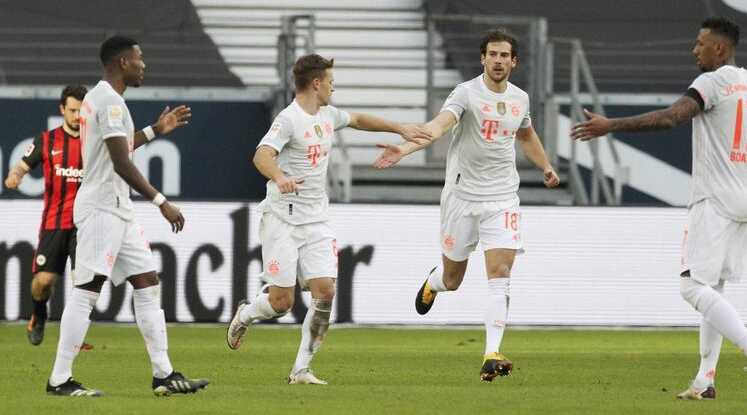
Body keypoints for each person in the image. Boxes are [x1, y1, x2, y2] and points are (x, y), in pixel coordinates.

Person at [570, 17, 747, 402]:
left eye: (700, 43)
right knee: (712, 287)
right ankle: (705, 380)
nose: (694, 49)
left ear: (719, 48)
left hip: (714, 198)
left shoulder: (711, 83)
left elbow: (670, 117)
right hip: (744, 198)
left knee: (690, 285)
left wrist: (611, 125)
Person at [226, 53, 432, 385]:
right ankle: (245, 314)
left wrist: (400, 128)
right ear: (317, 83)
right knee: (281, 303)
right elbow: (261, 154)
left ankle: (301, 370)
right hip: (282, 219)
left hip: (316, 219)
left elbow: (359, 120)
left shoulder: (328, 115)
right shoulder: (288, 119)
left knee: (325, 292)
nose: (334, 88)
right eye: (332, 82)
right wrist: (279, 176)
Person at [372, 28, 560, 381]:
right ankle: (433, 281)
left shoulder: (520, 99)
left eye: (505, 55)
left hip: (502, 199)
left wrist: (546, 166)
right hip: (461, 199)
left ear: (514, 61)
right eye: (493, 54)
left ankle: (491, 353)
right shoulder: (466, 93)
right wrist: (407, 147)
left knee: (500, 274)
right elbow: (441, 125)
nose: (498, 60)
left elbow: (525, 133)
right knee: (453, 279)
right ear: (483, 58)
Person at [45, 35, 209, 397]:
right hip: (103, 207)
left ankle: (163, 373)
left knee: (147, 282)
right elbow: (120, 162)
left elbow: (118, 145)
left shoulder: (101, 99)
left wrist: (155, 130)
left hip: (117, 208)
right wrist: (161, 201)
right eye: (139, 58)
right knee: (88, 290)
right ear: (122, 62)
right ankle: (59, 379)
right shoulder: (110, 102)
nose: (143, 65)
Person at [5, 85, 92, 350]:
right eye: (73, 110)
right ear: (62, 110)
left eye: (81, 111)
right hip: (54, 223)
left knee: (83, 282)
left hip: (84, 225)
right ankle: (39, 313)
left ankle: (74, 335)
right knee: (43, 283)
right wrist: (14, 176)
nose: (77, 116)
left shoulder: (95, 142)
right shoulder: (47, 140)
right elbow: (20, 166)